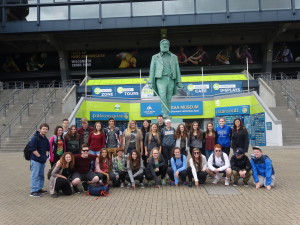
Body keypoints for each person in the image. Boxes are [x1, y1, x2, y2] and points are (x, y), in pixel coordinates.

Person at [148, 39, 183, 118]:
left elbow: (177, 69)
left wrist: (179, 81)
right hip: (160, 79)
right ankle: (165, 113)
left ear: (169, 46)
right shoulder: (155, 57)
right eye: (163, 44)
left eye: (166, 44)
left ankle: (167, 114)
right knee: (162, 95)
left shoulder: (174, 57)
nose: (165, 45)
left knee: (169, 97)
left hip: (171, 79)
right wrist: (150, 81)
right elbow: (152, 69)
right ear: (160, 46)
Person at [29, 123, 50, 197]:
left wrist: (45, 157)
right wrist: (40, 156)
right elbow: (32, 149)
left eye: (46, 129)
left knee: (41, 175)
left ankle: (39, 188)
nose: (45, 130)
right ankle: (33, 191)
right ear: (40, 129)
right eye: (43, 129)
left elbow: (48, 149)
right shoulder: (35, 138)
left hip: (42, 160)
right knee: (35, 175)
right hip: (35, 160)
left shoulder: (45, 139)